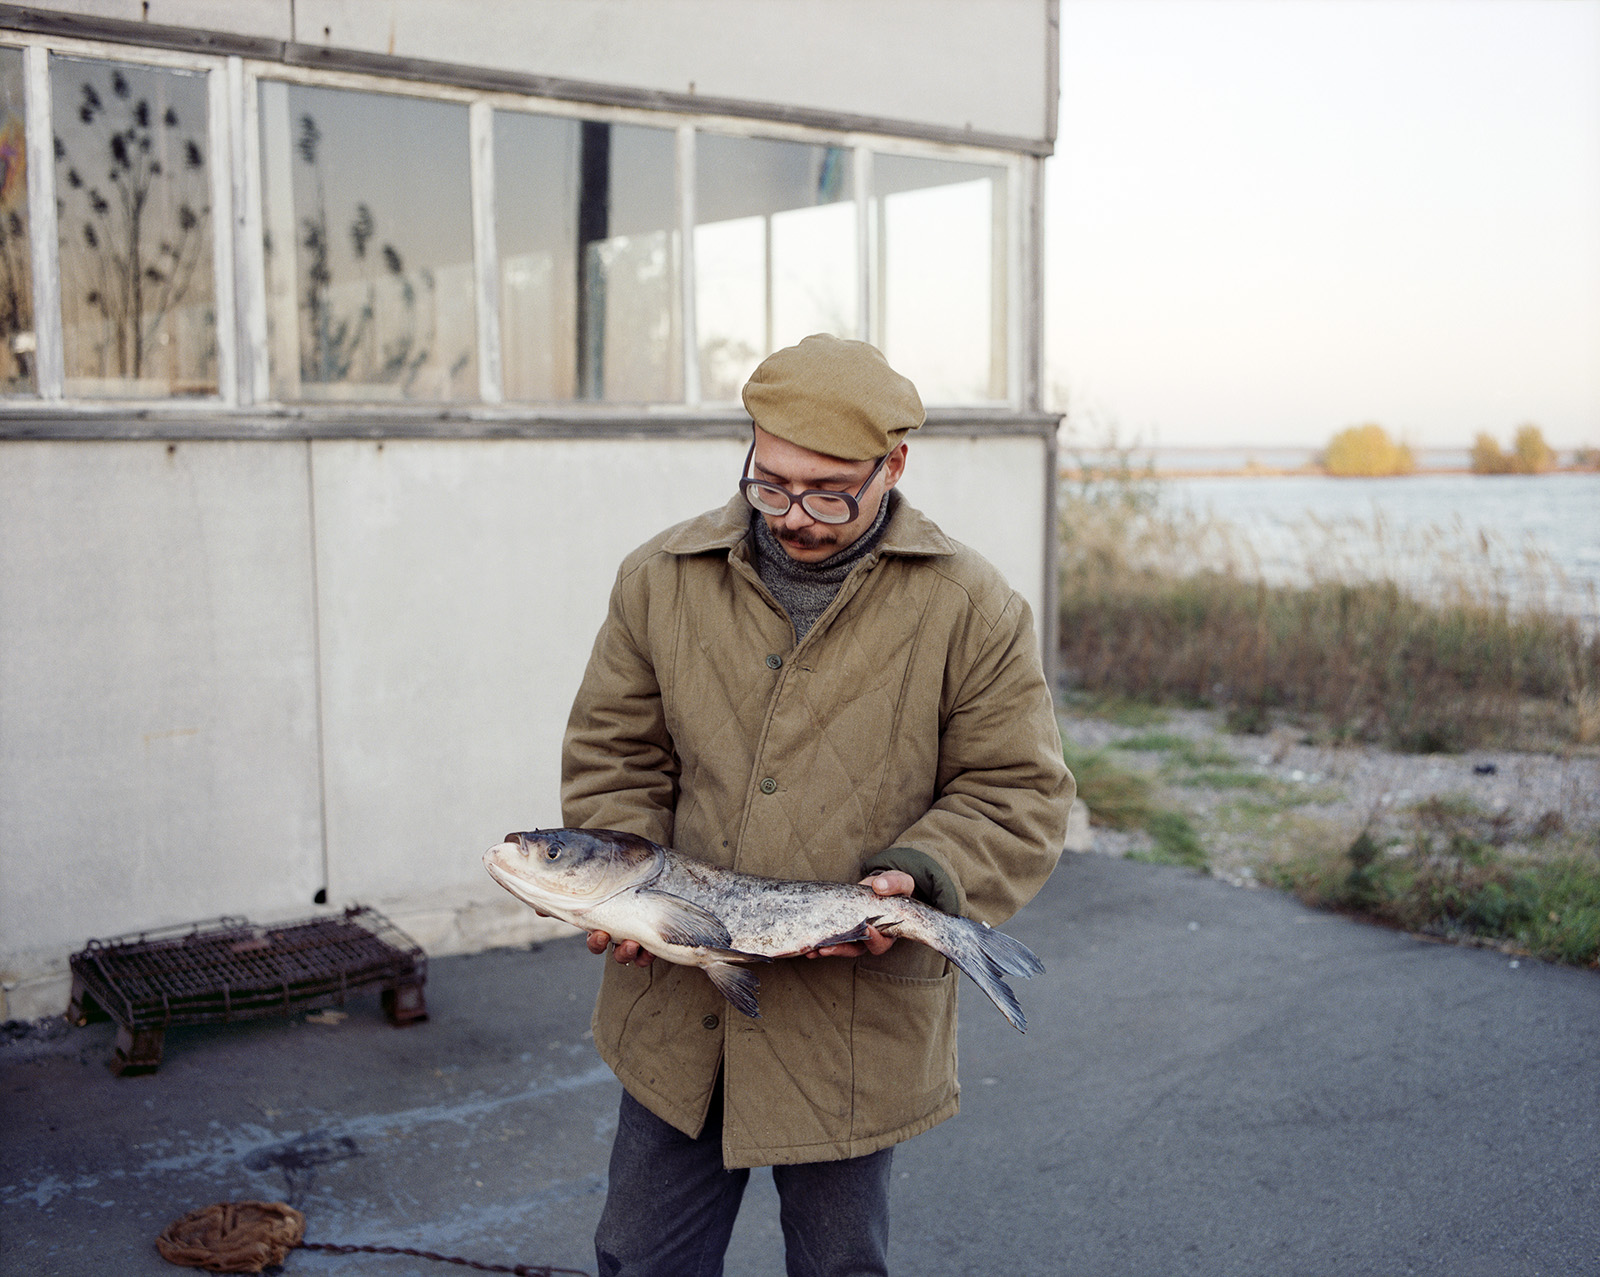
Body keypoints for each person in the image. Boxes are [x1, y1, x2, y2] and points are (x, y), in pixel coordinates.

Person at [561, 333, 1073, 1277]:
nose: (796, 513)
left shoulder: (973, 607)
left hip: (850, 1024)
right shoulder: (658, 579)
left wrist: (919, 878)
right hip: (679, 1011)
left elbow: (1019, 792)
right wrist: (623, 892)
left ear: (896, 465)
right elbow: (613, 756)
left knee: (840, 1268)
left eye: (832, 491)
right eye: (772, 482)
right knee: (637, 1259)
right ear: (751, 447)